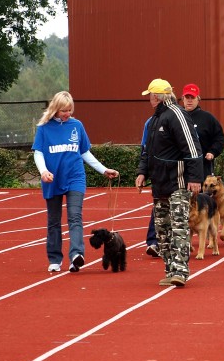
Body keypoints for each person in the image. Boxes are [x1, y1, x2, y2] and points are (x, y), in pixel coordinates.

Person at [32, 91, 119, 273]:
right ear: (55, 109)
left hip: (75, 177)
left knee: (75, 216)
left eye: (70, 110)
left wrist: (104, 169)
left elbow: (84, 152)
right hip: (52, 179)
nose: (67, 113)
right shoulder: (44, 128)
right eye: (64, 110)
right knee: (54, 221)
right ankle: (55, 258)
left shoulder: (77, 125)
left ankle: (76, 255)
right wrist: (43, 171)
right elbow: (38, 152)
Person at [136, 78, 203, 288]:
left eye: (150, 95)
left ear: (157, 96)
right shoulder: (154, 120)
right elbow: (147, 150)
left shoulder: (176, 115)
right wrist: (142, 172)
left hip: (178, 182)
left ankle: (181, 271)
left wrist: (194, 178)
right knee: (162, 228)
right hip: (159, 184)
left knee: (179, 226)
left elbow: (192, 148)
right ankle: (169, 268)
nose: (149, 99)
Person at [180, 83, 224, 177]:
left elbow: (219, 137)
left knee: (203, 192)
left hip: (203, 166)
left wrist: (212, 152)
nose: (189, 100)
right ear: (182, 98)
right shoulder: (176, 117)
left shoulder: (207, 118)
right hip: (180, 167)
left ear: (198, 99)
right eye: (187, 97)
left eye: (192, 97)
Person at [140, 116, 160, 258]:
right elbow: (145, 149)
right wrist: (143, 172)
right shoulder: (150, 122)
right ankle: (154, 242)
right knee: (158, 206)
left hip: (177, 174)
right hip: (158, 173)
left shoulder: (181, 119)